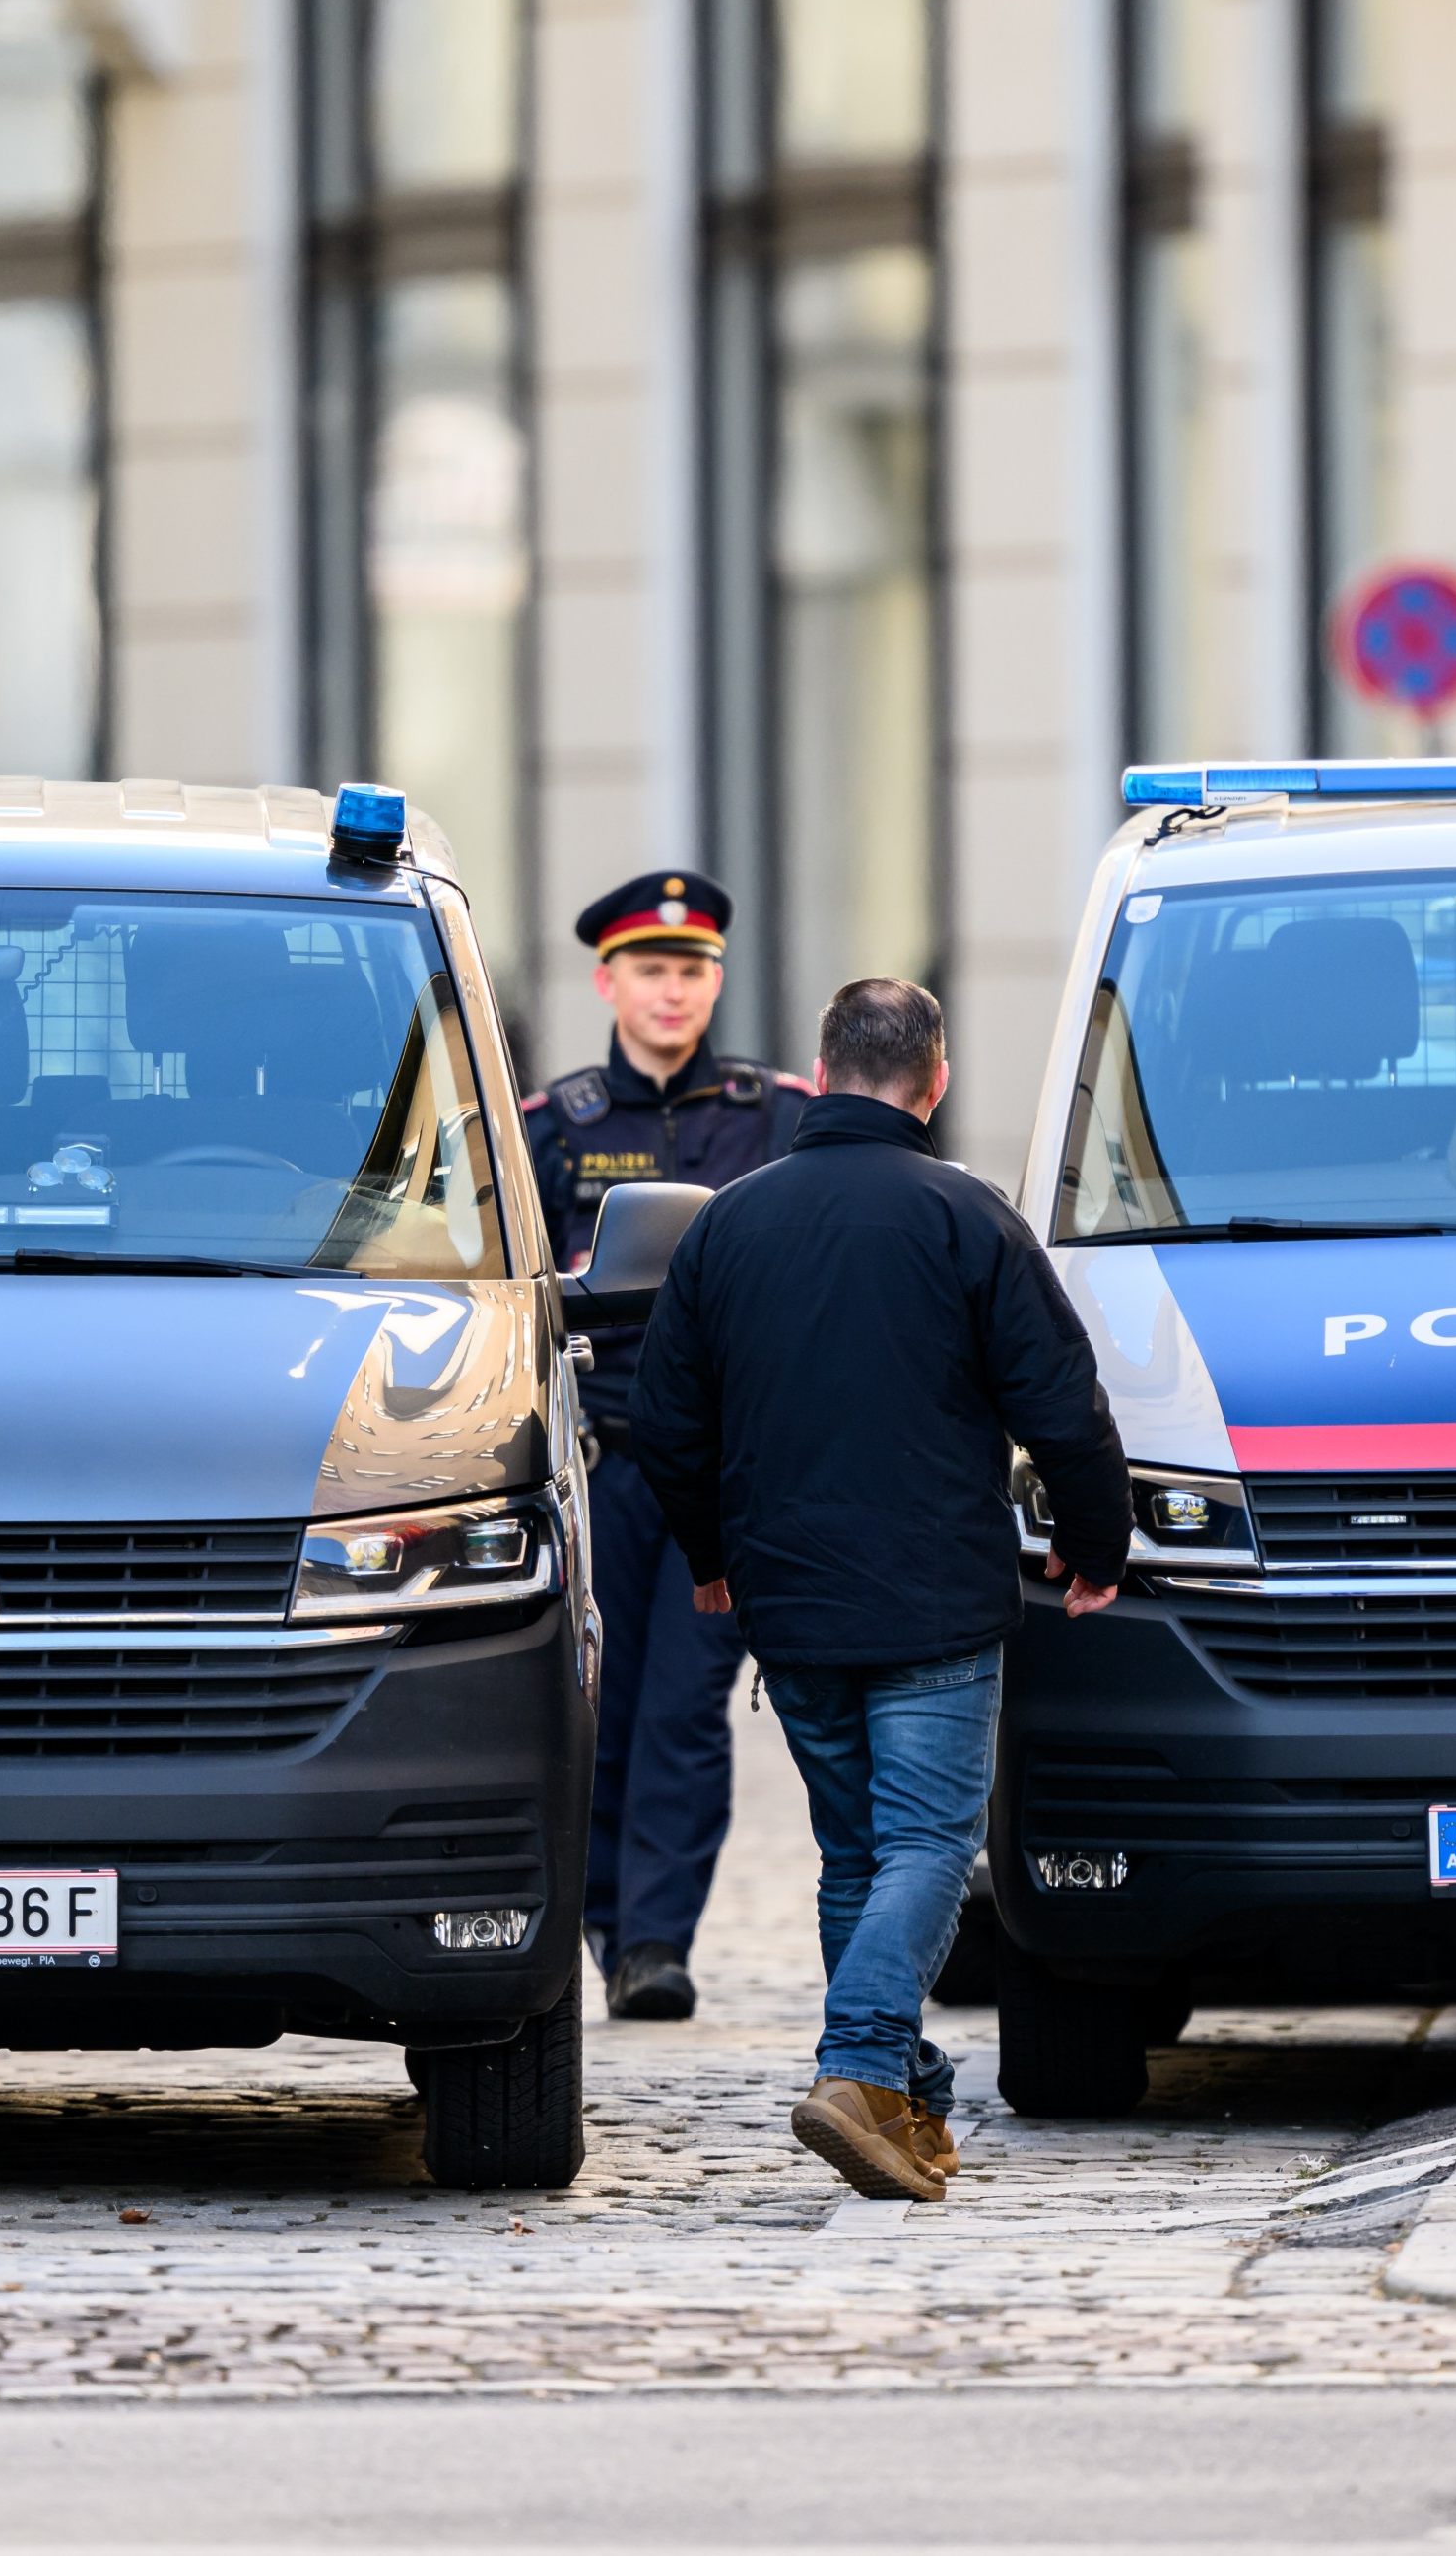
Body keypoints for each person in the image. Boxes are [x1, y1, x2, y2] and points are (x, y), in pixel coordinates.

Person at [624, 978, 1127, 2201]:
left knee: (854, 1853)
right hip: (935, 1602)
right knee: (929, 1844)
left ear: (819, 1069)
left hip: (790, 1606)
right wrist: (1096, 1545)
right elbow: (1061, 1406)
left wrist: (709, 1556)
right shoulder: (967, 1216)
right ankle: (857, 2067)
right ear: (933, 1079)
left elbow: (664, 1422)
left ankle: (908, 2100)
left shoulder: (726, 1226)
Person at [521, 871, 808, 2023]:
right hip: (603, 1463)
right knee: (599, 1698)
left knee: (687, 1710)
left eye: (691, 970)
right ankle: (600, 1918)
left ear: (716, 982)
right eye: (650, 970)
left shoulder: (775, 1116)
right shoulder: (553, 1127)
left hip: (723, 1472)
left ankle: (653, 1941)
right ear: (607, 982)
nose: (671, 991)